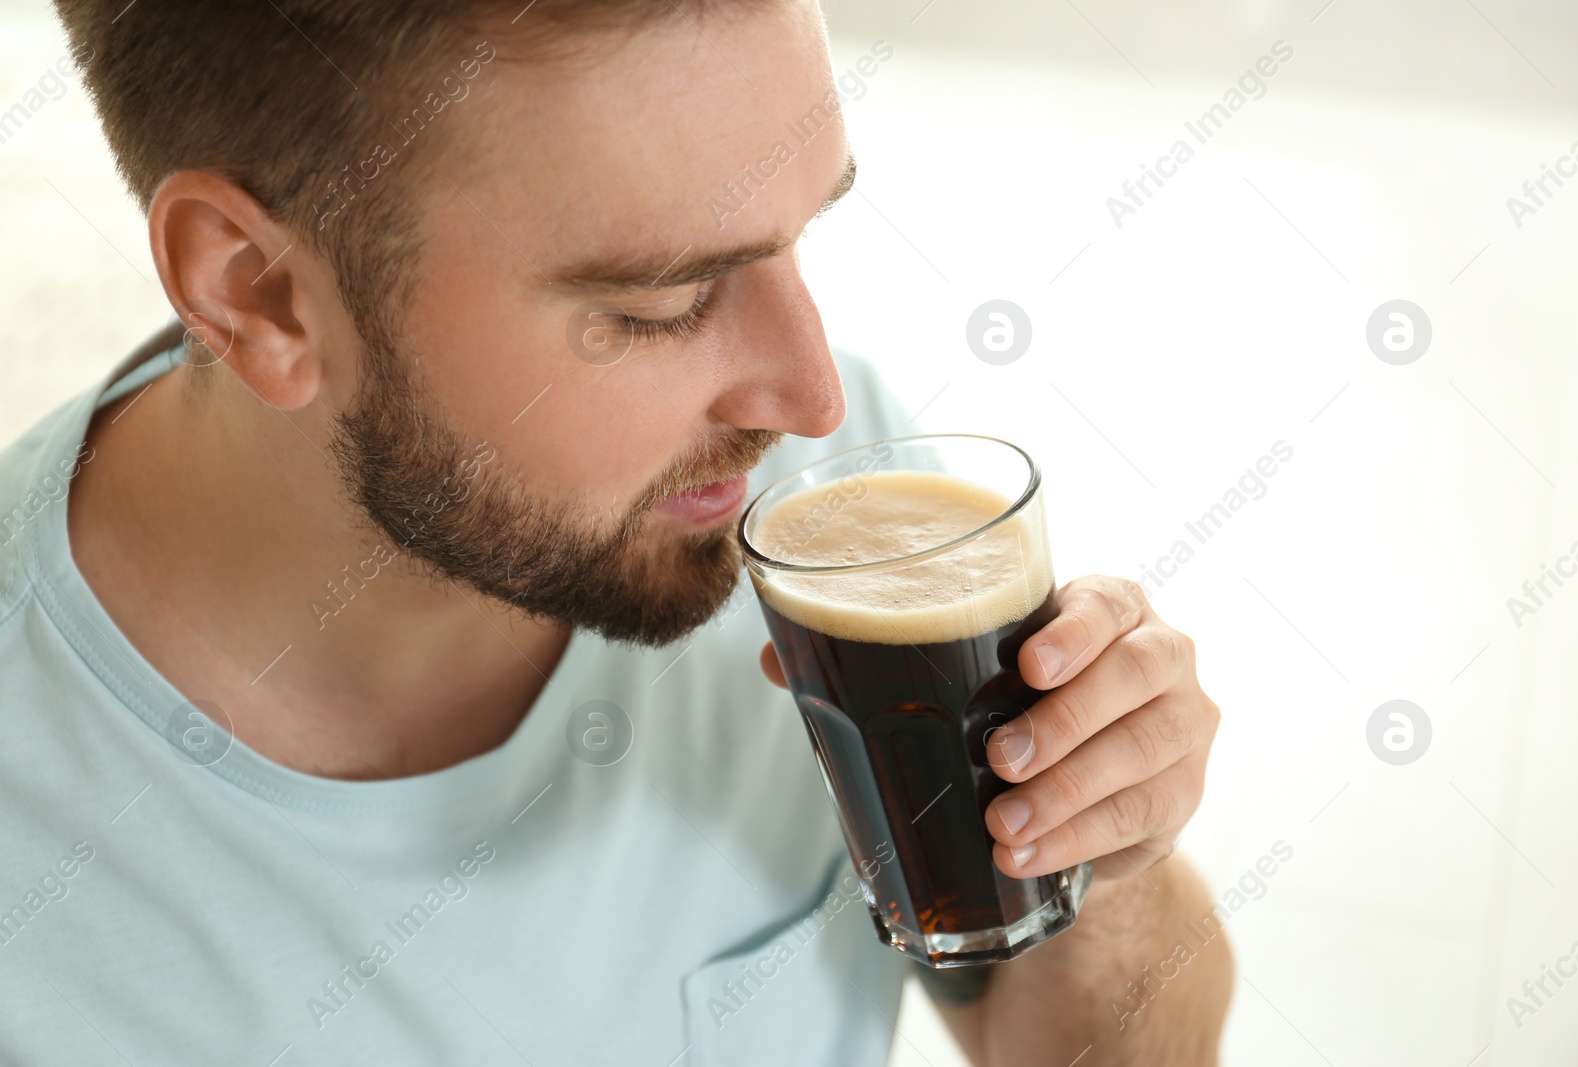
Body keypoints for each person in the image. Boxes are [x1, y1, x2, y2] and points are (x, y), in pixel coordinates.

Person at [0, 0, 1230, 1062]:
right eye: (662, 305)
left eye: (799, 237)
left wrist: (1105, 869)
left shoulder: (817, 518)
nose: (811, 398)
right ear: (256, 289)